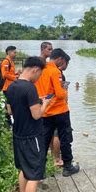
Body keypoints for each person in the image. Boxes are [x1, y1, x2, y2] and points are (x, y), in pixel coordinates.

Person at [5, 56, 51, 192]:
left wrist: (34, 101)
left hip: (18, 135)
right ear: (35, 70)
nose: (39, 78)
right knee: (34, 175)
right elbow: (37, 115)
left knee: (24, 170)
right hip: (32, 137)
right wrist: (45, 103)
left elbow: (10, 110)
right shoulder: (30, 88)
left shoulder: (13, 86)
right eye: (39, 74)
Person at [36, 48, 79, 177]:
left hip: (45, 111)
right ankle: (67, 167)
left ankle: (40, 171)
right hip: (60, 111)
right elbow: (60, 94)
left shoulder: (40, 70)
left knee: (43, 141)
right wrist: (65, 90)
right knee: (65, 139)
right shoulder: (55, 71)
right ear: (60, 58)